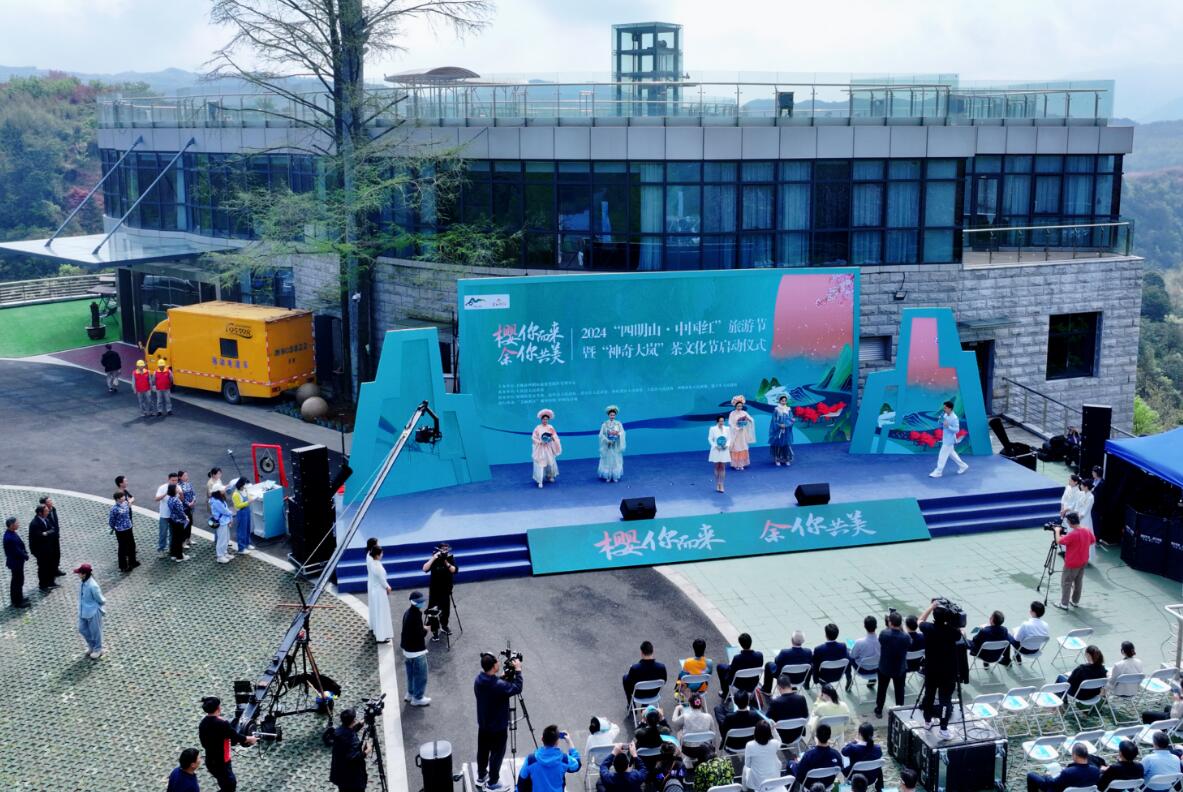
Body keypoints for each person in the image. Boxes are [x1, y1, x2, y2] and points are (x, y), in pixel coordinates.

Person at [474, 652, 523, 792]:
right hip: (498, 728)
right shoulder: (499, 686)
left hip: (484, 724)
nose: (499, 663)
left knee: (483, 751)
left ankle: (481, 776)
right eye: (497, 662)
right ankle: (493, 783)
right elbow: (517, 688)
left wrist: (502, 678)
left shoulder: (479, 680)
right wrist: (518, 670)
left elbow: (495, 686)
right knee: (497, 754)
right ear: (493, 666)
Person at [917, 598, 964, 740]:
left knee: (929, 696)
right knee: (945, 700)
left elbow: (920, 620)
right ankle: (943, 729)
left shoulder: (928, 628)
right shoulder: (953, 632)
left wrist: (931, 606)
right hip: (948, 672)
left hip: (931, 669)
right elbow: (961, 631)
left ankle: (927, 721)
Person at [198, 696, 256, 791]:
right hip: (222, 763)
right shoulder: (222, 723)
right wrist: (250, 739)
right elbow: (236, 737)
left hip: (210, 761)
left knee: (225, 785)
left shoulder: (203, 723)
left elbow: (203, 743)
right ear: (218, 708)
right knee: (230, 786)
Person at [517, 724, 581, 792]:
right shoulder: (564, 759)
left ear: (542, 739)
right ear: (557, 742)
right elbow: (577, 764)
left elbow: (521, 782)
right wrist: (569, 741)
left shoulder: (531, 760)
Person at [1054, 512, 1094, 610]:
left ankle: (1064, 604)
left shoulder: (1073, 534)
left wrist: (1057, 531)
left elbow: (1059, 541)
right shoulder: (1086, 530)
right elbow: (1092, 540)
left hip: (1072, 563)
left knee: (1066, 582)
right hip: (1083, 560)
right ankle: (1075, 601)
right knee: (1078, 582)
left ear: (1070, 522)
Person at [876, 611, 911, 718]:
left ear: (890, 623)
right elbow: (909, 643)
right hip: (900, 668)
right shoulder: (905, 637)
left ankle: (879, 709)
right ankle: (899, 711)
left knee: (882, 689)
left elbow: (881, 641)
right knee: (899, 691)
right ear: (901, 623)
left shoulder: (884, 634)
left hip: (884, 667)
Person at [1026, 742, 1099, 792]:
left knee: (1031, 775)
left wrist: (1048, 776)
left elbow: (1053, 784)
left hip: (1057, 789)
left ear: (1075, 755)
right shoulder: (1096, 770)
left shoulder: (1068, 772)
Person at [400, 590, 431, 706]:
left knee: (411, 675)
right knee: (421, 676)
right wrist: (427, 629)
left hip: (407, 651)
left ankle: (410, 693)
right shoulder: (416, 616)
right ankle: (417, 698)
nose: (423, 603)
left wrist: (422, 627)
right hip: (416, 652)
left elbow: (410, 629)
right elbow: (420, 634)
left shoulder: (407, 613)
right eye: (421, 601)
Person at [422, 543, 457, 641]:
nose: (445, 551)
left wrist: (446, 562)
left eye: (446, 549)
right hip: (435, 591)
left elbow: (454, 570)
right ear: (439, 550)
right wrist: (433, 558)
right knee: (433, 612)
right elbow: (424, 568)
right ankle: (435, 631)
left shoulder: (450, 559)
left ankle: (444, 626)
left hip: (446, 590)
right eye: (443, 549)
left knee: (446, 611)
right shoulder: (434, 559)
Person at [329, 708, 368, 792]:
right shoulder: (352, 740)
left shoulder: (339, 731)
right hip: (352, 780)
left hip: (341, 776)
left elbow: (349, 731)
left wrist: (360, 724)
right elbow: (354, 758)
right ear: (353, 721)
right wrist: (366, 751)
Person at [928, 400, 969, 478]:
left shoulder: (954, 418)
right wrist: (940, 419)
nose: (944, 409)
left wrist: (948, 426)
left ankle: (938, 472)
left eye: (945, 408)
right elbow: (942, 422)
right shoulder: (946, 415)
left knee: (942, 456)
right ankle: (963, 466)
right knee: (952, 454)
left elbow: (957, 430)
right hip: (945, 438)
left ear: (950, 408)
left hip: (949, 441)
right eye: (944, 408)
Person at [75, 563, 106, 659]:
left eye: (79, 573)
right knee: (82, 629)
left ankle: (98, 649)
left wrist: (97, 607)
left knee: (96, 632)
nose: (78, 574)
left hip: (93, 612)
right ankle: (92, 646)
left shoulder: (93, 586)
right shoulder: (83, 582)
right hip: (83, 611)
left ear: (84, 574)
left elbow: (100, 599)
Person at [742, 720, 784, 791]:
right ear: (769, 733)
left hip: (758, 784)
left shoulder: (750, 745)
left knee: (745, 768)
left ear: (756, 732)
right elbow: (779, 741)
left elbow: (748, 764)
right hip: (774, 780)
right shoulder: (774, 743)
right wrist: (773, 729)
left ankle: (744, 789)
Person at [841, 722, 884, 789]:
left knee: (843, 759)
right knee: (878, 763)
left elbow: (843, 752)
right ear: (872, 734)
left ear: (860, 734)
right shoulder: (878, 748)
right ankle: (880, 786)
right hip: (871, 778)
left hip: (854, 779)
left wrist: (853, 742)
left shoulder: (852, 747)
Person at [28, 504, 60, 591]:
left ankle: (51, 582)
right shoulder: (34, 524)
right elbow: (40, 536)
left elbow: (53, 529)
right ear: (40, 513)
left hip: (49, 548)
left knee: (50, 565)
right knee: (43, 567)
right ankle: (43, 585)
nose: (48, 512)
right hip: (40, 551)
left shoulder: (46, 519)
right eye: (46, 511)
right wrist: (47, 534)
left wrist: (47, 533)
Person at [366, 545, 393, 643]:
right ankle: (381, 636)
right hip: (380, 592)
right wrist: (388, 587)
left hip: (376, 590)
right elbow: (382, 579)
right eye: (381, 553)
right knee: (382, 613)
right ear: (377, 555)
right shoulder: (377, 566)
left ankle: (380, 634)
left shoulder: (373, 563)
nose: (382, 554)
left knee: (379, 613)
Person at [108, 491, 139, 572]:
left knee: (132, 545)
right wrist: (114, 527)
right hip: (120, 531)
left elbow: (130, 504)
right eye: (122, 496)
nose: (124, 497)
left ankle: (132, 562)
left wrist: (130, 501)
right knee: (122, 548)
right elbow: (111, 520)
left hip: (128, 527)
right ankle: (123, 566)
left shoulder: (125, 503)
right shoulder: (114, 509)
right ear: (118, 499)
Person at [4, 516, 31, 608]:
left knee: (17, 581)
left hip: (17, 562)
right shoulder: (10, 538)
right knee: (18, 582)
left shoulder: (11, 533)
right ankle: (18, 602)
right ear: (11, 525)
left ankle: (17, 598)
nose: (18, 524)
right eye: (16, 523)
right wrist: (25, 555)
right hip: (16, 563)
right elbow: (16, 551)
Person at [531, 408, 562, 488]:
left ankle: (550, 476)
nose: (545, 421)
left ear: (548, 420)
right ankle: (540, 481)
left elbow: (554, 436)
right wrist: (540, 442)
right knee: (541, 464)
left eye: (546, 419)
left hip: (548, 448)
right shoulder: (538, 428)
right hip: (540, 448)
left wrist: (552, 438)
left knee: (550, 463)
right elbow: (533, 438)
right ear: (541, 419)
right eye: (544, 419)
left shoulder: (550, 427)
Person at [848, 616, 881, 691]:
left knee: (848, 654)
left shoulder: (859, 642)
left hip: (862, 670)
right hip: (878, 669)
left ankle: (849, 678)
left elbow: (853, 656)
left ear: (864, 626)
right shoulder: (882, 640)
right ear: (876, 626)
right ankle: (872, 680)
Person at [598, 405, 626, 483]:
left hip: (616, 445)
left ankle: (615, 475)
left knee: (615, 459)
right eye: (611, 415)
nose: (612, 416)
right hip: (607, 445)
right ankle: (608, 476)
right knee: (607, 459)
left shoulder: (618, 424)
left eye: (613, 415)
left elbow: (622, 432)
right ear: (608, 415)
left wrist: (617, 435)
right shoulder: (604, 424)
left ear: (615, 415)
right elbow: (601, 434)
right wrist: (607, 440)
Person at [728, 395, 756, 470]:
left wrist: (748, 420)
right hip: (736, 433)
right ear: (735, 406)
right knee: (736, 447)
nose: (739, 407)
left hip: (742, 433)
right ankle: (736, 464)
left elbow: (751, 419)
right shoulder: (732, 413)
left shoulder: (744, 413)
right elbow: (730, 423)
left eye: (741, 406)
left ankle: (742, 464)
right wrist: (736, 428)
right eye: (738, 406)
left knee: (743, 446)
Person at [39, 496, 65, 577]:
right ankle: (51, 571)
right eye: (49, 501)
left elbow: (56, 522)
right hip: (49, 538)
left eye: (51, 500)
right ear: (45, 504)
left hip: (55, 536)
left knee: (57, 554)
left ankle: (56, 569)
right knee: (51, 555)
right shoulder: (44, 514)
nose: (51, 502)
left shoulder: (53, 509)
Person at [230, 478, 255, 556]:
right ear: (241, 485)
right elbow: (238, 505)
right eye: (245, 484)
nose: (245, 486)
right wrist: (248, 502)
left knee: (247, 528)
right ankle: (241, 548)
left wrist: (252, 498)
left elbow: (248, 496)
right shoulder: (236, 494)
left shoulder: (245, 490)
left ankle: (247, 543)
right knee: (242, 531)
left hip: (247, 511)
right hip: (241, 513)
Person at [156, 472, 179, 556]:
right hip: (164, 515)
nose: (175, 482)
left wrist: (180, 493)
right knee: (163, 533)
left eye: (176, 480)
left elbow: (181, 500)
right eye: (173, 480)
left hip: (174, 515)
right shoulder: (162, 488)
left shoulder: (178, 487)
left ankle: (171, 548)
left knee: (173, 533)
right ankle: (161, 549)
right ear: (168, 480)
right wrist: (166, 493)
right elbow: (156, 499)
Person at [769, 394, 795, 467]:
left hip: (786, 430)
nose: (784, 402)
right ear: (779, 401)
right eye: (782, 401)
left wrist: (787, 424)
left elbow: (791, 418)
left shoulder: (788, 409)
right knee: (778, 445)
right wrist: (779, 425)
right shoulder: (776, 409)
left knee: (786, 444)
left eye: (785, 401)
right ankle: (777, 459)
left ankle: (786, 459)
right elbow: (774, 420)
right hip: (778, 430)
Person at [166, 484, 191, 562]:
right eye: (177, 488)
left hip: (173, 520)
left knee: (174, 538)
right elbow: (180, 512)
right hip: (179, 522)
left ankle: (174, 554)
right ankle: (180, 556)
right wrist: (185, 517)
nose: (178, 488)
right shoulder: (176, 500)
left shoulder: (170, 499)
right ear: (174, 490)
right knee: (179, 539)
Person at [209, 490, 235, 564]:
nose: (224, 490)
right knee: (222, 540)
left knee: (226, 538)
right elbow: (225, 511)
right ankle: (220, 556)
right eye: (222, 489)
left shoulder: (218, 499)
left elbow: (226, 510)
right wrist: (231, 513)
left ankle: (224, 553)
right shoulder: (216, 502)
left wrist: (230, 518)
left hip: (224, 521)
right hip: (221, 523)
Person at [708, 415, 733, 493]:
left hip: (724, 450)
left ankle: (721, 484)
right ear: (717, 421)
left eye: (723, 421)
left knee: (722, 467)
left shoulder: (727, 428)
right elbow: (710, 439)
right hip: (716, 450)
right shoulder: (712, 429)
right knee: (716, 467)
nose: (722, 422)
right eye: (720, 421)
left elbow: (729, 439)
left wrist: (727, 445)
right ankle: (717, 484)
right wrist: (715, 446)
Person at [178, 471, 197, 549]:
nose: (187, 477)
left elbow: (194, 493)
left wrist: (193, 500)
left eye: (187, 475)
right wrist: (188, 503)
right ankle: (183, 542)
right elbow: (181, 497)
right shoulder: (179, 486)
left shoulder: (189, 484)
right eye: (185, 475)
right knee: (185, 524)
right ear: (180, 477)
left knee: (190, 523)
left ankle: (188, 539)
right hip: (184, 508)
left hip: (190, 507)